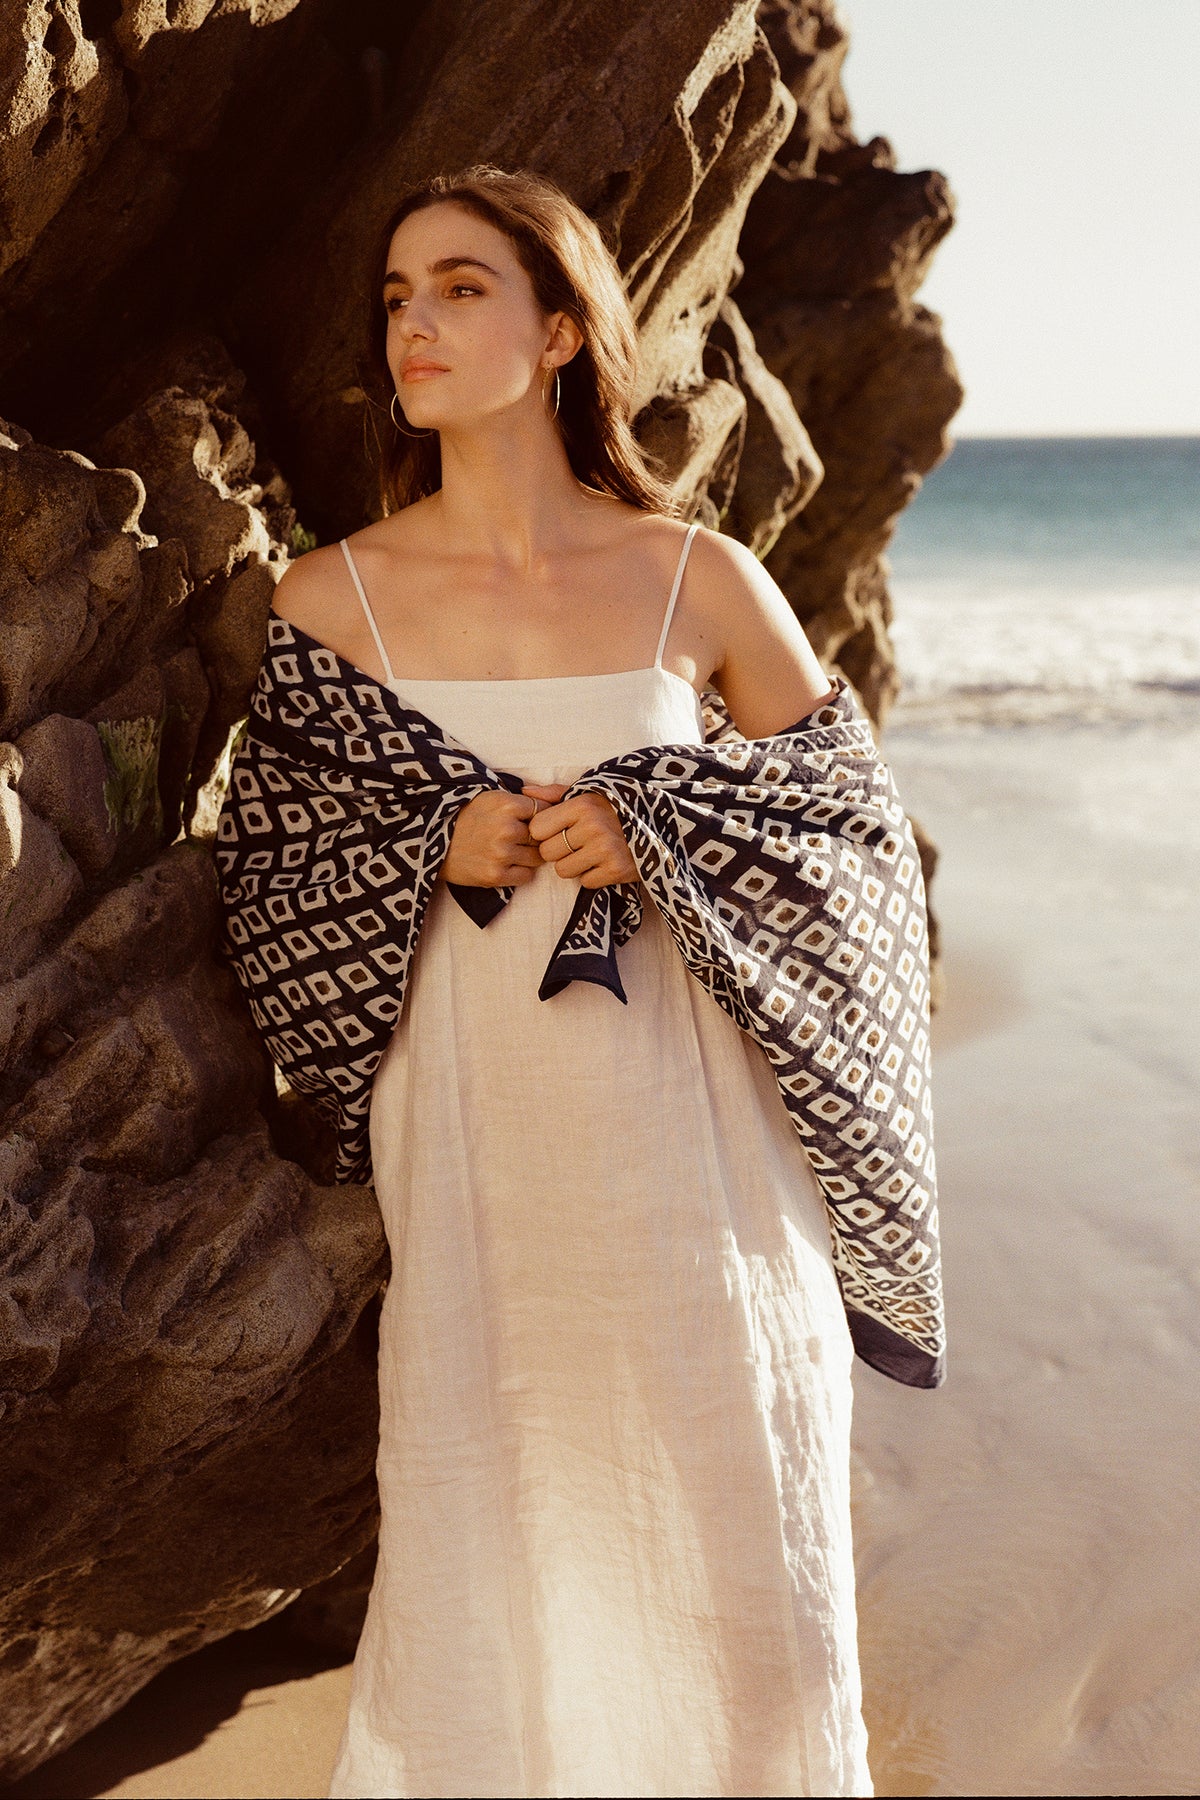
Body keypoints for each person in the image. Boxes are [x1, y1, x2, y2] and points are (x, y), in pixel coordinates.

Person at [268, 164, 873, 1799]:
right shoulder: (330, 602)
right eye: (396, 296)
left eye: (461, 288)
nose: (415, 325)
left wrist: (662, 824)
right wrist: (437, 848)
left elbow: (851, 847)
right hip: (478, 1153)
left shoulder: (703, 581)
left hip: (705, 1168)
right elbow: (272, 889)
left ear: (556, 333)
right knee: (498, 1536)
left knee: (746, 1568)